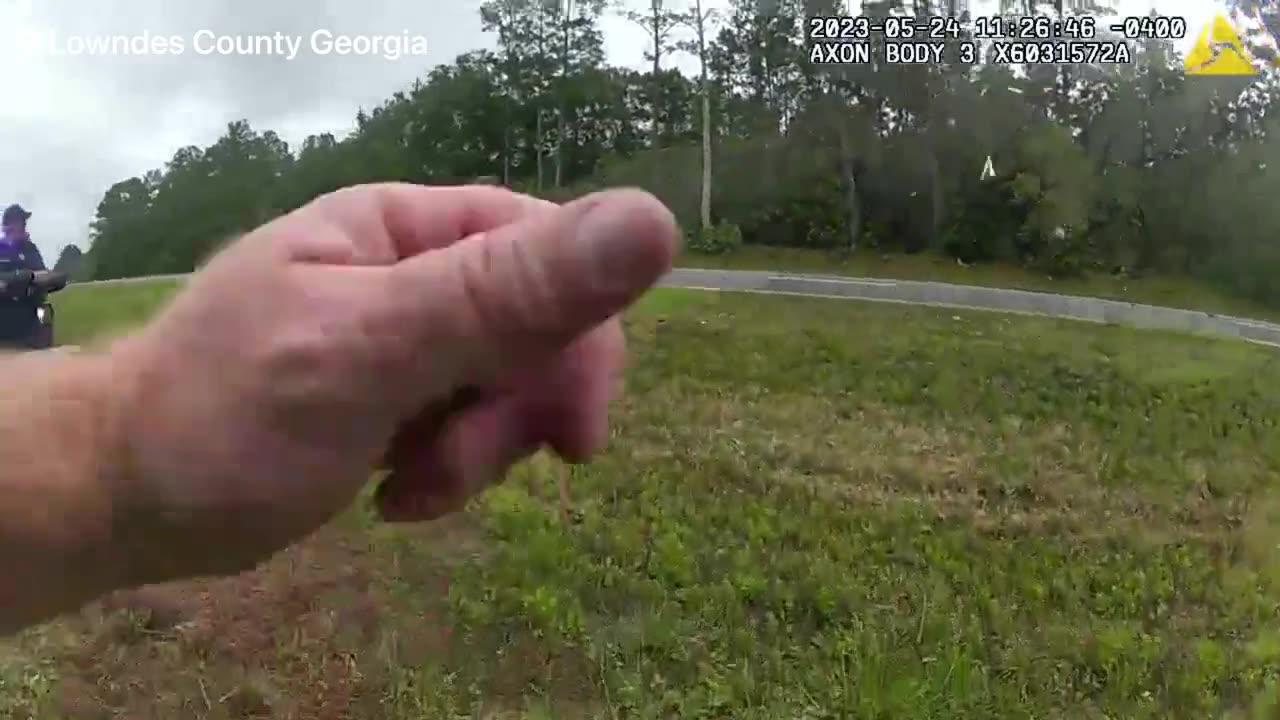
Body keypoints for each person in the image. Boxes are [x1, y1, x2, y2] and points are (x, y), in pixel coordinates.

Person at [0, 183, 678, 634]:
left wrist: (118, 447)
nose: (23, 228)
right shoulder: (8, 248)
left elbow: (36, 277)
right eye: (18, 223)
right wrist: (121, 451)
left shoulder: (27, 246)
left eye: (26, 223)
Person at [0, 204, 46, 271]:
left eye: (24, 221)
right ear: (9, 226)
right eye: (20, 221)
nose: (24, 225)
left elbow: (41, 271)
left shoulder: (30, 247)